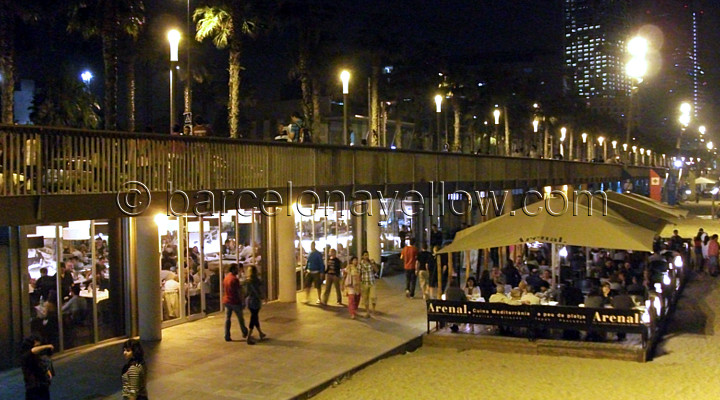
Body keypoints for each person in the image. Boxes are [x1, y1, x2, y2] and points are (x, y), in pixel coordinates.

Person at [20, 336, 54, 400]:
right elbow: (33, 351)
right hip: (33, 389)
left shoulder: (37, 357)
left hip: (43, 387)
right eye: (36, 345)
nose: (39, 348)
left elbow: (42, 367)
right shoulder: (25, 356)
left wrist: (47, 371)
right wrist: (48, 346)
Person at [222, 264, 248, 341]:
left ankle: (227, 335)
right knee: (240, 318)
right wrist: (242, 301)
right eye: (236, 269)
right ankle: (244, 332)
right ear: (233, 270)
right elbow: (238, 291)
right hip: (235, 301)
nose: (238, 271)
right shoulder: (234, 279)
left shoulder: (226, 278)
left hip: (227, 300)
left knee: (227, 319)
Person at [245, 265, 266, 344]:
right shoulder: (257, 280)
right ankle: (249, 336)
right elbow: (260, 289)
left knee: (255, 316)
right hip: (255, 300)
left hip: (249, 300)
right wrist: (262, 297)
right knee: (254, 317)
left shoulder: (247, 281)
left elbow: (246, 292)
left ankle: (260, 333)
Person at [358, 251, 379, 317]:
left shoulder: (371, 262)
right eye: (365, 255)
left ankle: (373, 310)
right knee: (365, 298)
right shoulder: (360, 264)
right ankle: (367, 312)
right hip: (364, 283)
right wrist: (358, 283)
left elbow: (377, 270)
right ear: (362, 256)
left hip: (372, 282)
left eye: (367, 255)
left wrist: (373, 264)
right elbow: (359, 274)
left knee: (373, 297)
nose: (366, 256)